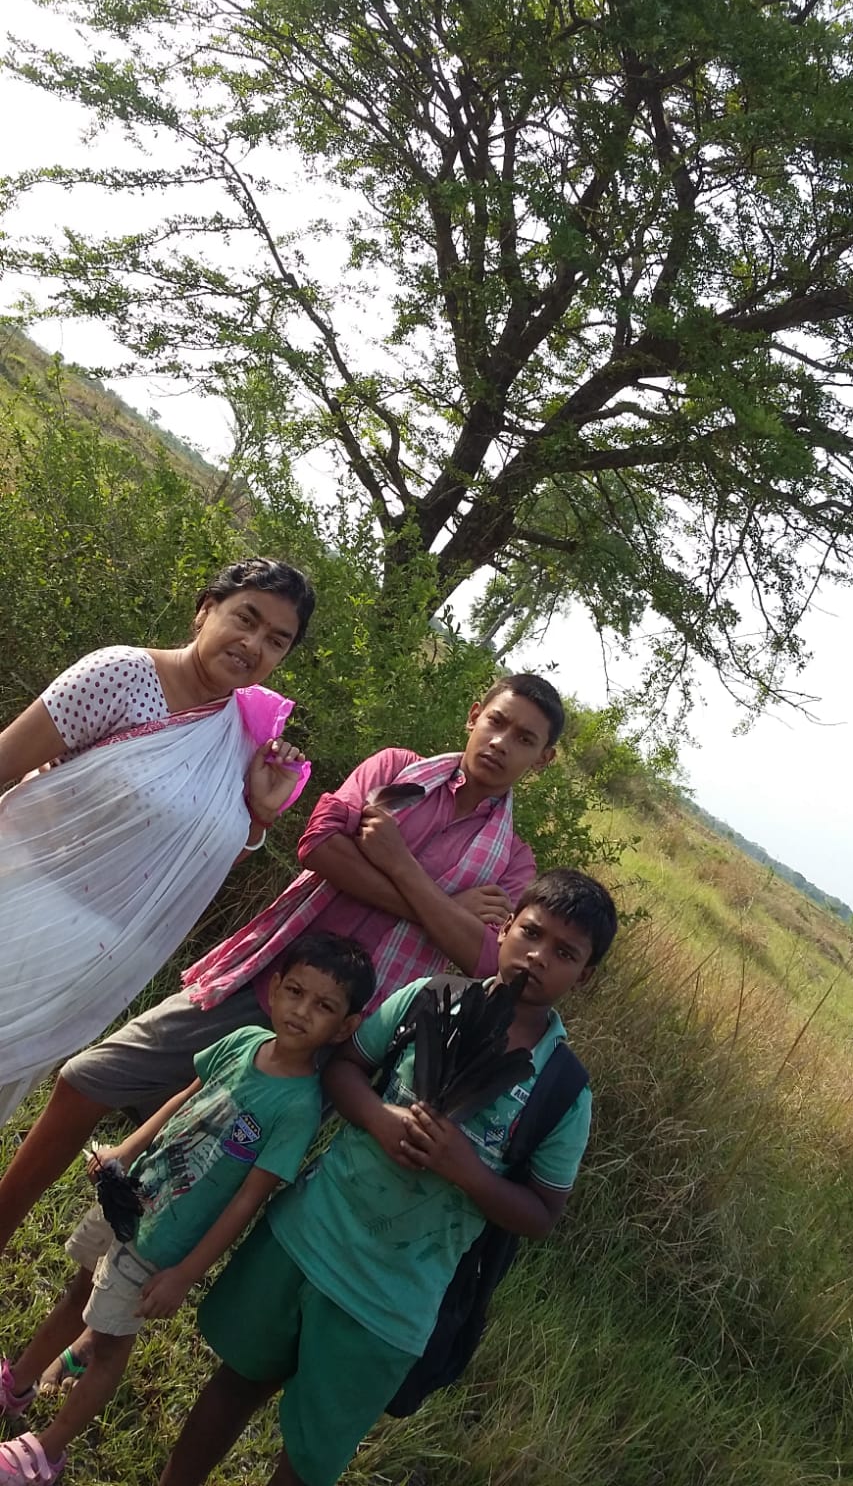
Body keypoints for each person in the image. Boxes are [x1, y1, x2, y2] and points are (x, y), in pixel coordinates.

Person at [0, 673, 563, 1261]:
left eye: (524, 739)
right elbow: (319, 845)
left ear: (542, 759)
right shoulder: (399, 771)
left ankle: (91, 1310)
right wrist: (445, 908)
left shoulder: (513, 861)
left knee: (197, 1176)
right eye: (497, 721)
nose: (501, 742)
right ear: (474, 715)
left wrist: (398, 862)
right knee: (89, 1080)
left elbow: (484, 957)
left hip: (339, 1033)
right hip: (268, 975)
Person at [157, 868, 617, 1486]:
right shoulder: (431, 998)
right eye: (531, 933)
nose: (538, 957)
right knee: (235, 1383)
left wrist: (465, 1171)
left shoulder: (563, 1089)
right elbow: (345, 1068)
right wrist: (379, 1118)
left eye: (565, 953)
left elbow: (541, 1213)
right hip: (306, 1236)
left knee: (310, 1457)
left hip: (388, 1301)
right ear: (505, 927)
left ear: (584, 976)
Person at [0, 933, 375, 1486]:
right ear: (273, 988)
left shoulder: (298, 1107)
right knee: (80, 1291)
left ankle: (45, 1453)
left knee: (111, 1345)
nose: (301, 1011)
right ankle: (18, 1384)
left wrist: (185, 1274)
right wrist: (126, 1151)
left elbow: (248, 1200)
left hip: (164, 1242)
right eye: (296, 991)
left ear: (345, 1027)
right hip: (130, 1199)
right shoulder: (243, 1039)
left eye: (324, 1006)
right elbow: (187, 1095)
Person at [0, 557, 315, 1127]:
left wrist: (261, 814)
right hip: (19, 907)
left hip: (90, 961)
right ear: (205, 610)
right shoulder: (121, 674)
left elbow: (194, 860)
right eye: (245, 618)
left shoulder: (244, 738)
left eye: (276, 640)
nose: (252, 644)